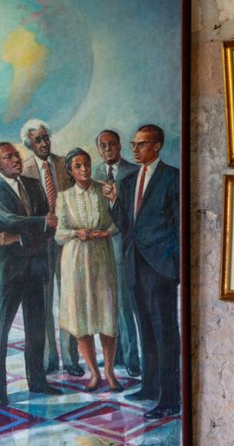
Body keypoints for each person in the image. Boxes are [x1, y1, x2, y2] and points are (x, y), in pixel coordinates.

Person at [104, 124, 181, 420]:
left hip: (160, 267)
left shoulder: (172, 177)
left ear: (157, 146)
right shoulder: (128, 180)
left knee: (165, 334)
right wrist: (113, 201)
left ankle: (170, 398)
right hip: (135, 265)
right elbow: (124, 223)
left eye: (142, 144)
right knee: (145, 329)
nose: (135, 150)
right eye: (134, 144)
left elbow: (179, 225)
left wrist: (173, 266)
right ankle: (150, 388)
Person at [0, 141, 57, 406]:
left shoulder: (33, 185)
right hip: (8, 271)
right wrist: (40, 222)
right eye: (8, 156)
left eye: (16, 154)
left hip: (36, 267)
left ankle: (37, 381)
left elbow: (52, 227)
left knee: (36, 328)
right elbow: (4, 220)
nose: (16, 159)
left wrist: (18, 238)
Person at [55, 148, 122, 392]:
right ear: (70, 171)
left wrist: (105, 232)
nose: (84, 169)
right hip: (75, 261)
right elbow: (59, 234)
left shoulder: (104, 190)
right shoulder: (64, 197)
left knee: (106, 314)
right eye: (78, 166)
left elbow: (118, 221)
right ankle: (94, 373)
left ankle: (109, 372)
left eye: (86, 164)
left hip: (101, 257)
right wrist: (76, 233)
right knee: (81, 315)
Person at [20, 118, 81, 377]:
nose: (44, 143)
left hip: (66, 242)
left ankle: (71, 358)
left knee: (69, 300)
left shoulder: (63, 164)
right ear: (29, 144)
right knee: (43, 302)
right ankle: (48, 358)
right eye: (38, 140)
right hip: (39, 245)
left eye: (46, 137)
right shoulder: (23, 170)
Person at [93, 129, 140, 378]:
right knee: (107, 306)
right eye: (103, 145)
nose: (108, 148)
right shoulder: (94, 174)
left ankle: (132, 358)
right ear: (98, 150)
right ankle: (117, 354)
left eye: (112, 144)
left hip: (123, 246)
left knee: (124, 306)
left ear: (120, 146)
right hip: (100, 249)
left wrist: (116, 198)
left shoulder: (133, 172)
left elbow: (134, 211)